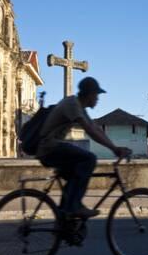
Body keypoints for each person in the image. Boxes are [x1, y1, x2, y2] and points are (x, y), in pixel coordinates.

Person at [36, 77, 132, 219]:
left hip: (51, 148)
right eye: (96, 95)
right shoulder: (72, 104)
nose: (97, 99)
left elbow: (96, 128)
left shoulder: (80, 107)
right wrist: (114, 149)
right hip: (49, 148)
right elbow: (90, 130)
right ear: (89, 94)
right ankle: (74, 207)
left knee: (76, 176)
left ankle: (64, 217)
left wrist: (114, 147)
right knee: (89, 159)